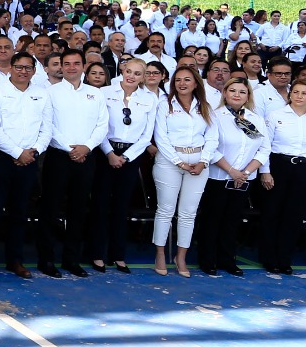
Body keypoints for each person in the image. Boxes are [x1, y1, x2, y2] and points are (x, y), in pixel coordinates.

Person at [39, 49, 108, 278]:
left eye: (75, 63)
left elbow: (102, 125)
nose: (70, 67)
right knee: (51, 208)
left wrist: (86, 147)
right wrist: (70, 148)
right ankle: (46, 259)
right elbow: (48, 125)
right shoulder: (50, 92)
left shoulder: (96, 94)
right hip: (59, 156)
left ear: (83, 66)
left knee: (79, 210)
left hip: (86, 157)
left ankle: (71, 260)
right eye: (66, 63)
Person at [195, 77, 270, 276]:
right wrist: (232, 171)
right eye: (233, 90)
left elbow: (264, 149)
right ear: (225, 93)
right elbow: (211, 148)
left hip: (244, 180)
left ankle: (227, 260)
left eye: (242, 92)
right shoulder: (214, 116)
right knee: (212, 220)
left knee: (232, 221)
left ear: (248, 96)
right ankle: (207, 260)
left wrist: (245, 173)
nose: (237, 95)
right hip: (218, 177)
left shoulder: (255, 119)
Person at [152, 65, 218, 277]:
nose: (182, 83)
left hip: (198, 162)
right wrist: (178, 162)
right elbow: (160, 137)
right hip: (169, 162)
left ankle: (181, 257)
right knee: (165, 210)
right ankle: (160, 253)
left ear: (195, 83)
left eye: (187, 79)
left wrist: (203, 161)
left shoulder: (205, 106)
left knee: (188, 213)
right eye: (178, 80)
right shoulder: (165, 104)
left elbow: (212, 137)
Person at [91, 58, 156, 274]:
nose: (132, 76)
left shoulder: (150, 99)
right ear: (122, 69)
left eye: (138, 73)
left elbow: (147, 135)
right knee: (100, 205)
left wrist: (126, 157)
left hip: (131, 155)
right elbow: (98, 126)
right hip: (105, 152)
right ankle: (97, 254)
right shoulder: (104, 93)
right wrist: (110, 153)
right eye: (129, 71)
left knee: (121, 207)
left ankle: (118, 255)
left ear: (144, 77)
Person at [260, 80, 306, 274]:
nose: (299, 96)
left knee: (294, 216)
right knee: (273, 213)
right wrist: (266, 172)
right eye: (295, 92)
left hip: (303, 168)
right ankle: (270, 259)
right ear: (290, 94)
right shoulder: (275, 115)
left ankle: (284, 259)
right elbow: (265, 146)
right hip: (279, 165)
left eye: (304, 93)